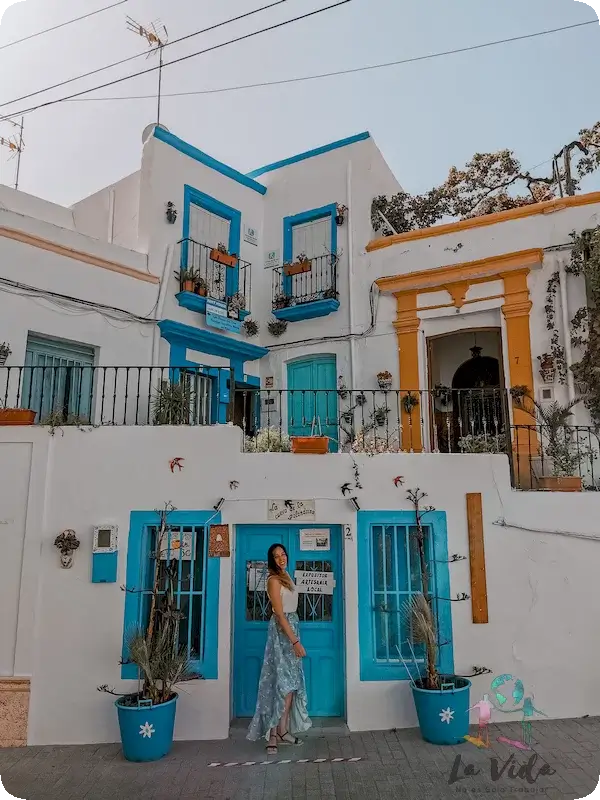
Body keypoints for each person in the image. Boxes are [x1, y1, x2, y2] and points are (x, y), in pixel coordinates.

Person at [247, 543, 311, 754]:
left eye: (283, 554)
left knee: (291, 685)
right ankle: (272, 734)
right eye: (277, 556)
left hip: (293, 628)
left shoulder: (287, 576)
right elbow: (280, 615)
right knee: (279, 683)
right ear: (271, 560)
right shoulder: (273, 580)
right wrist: (295, 642)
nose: (281, 558)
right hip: (282, 635)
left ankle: (283, 731)